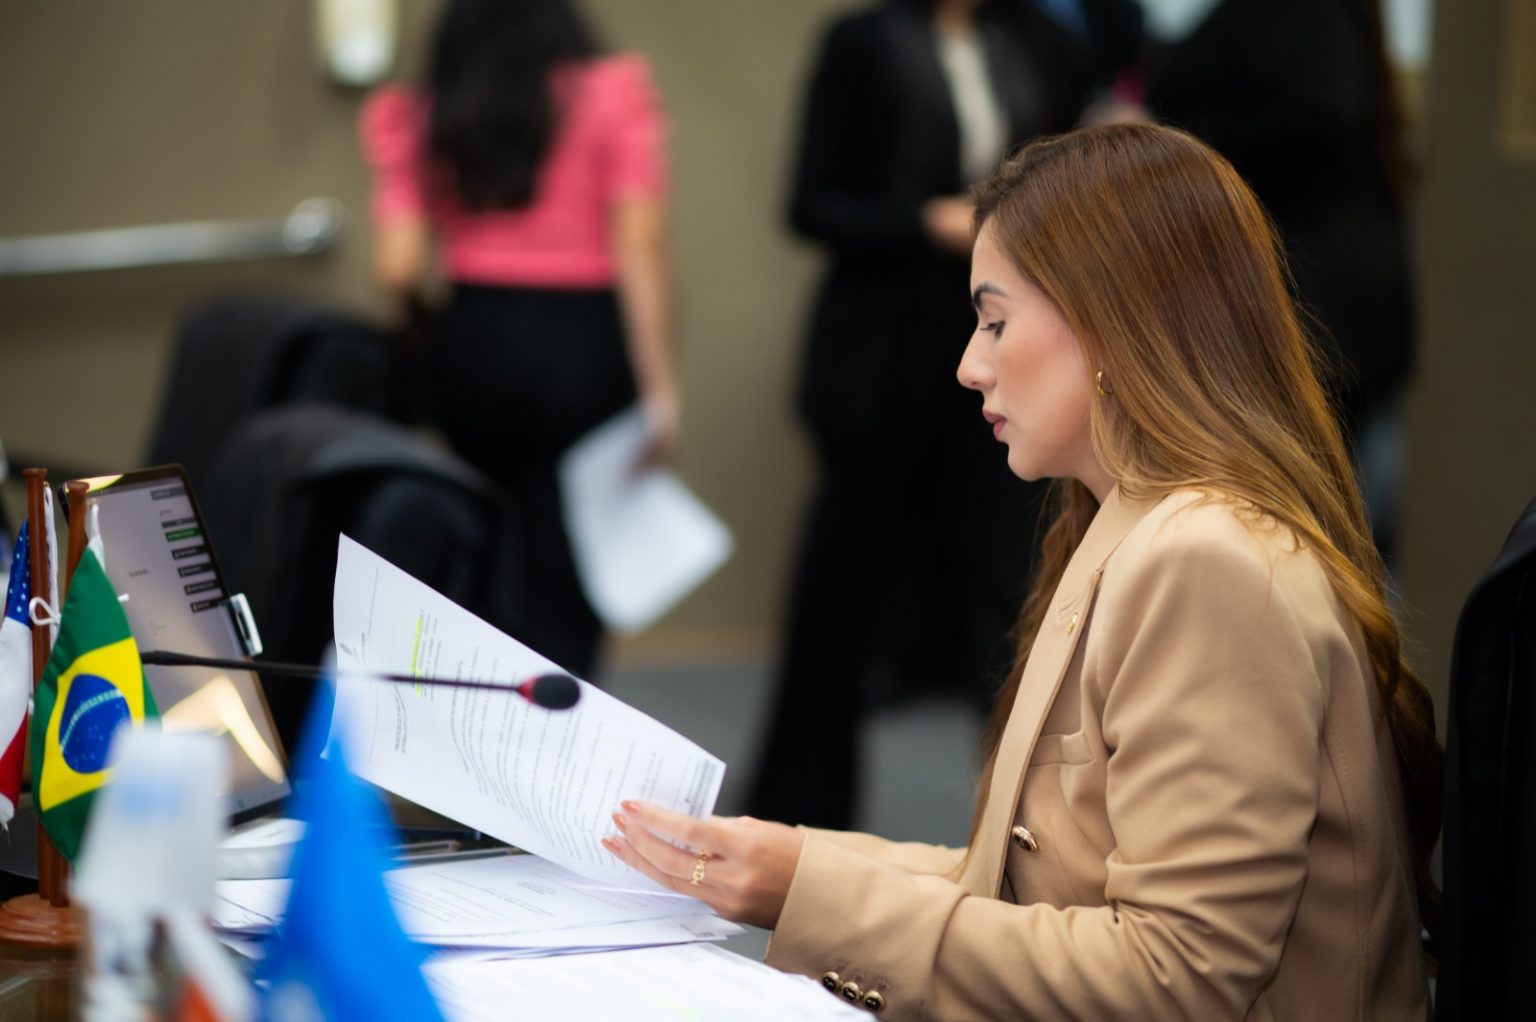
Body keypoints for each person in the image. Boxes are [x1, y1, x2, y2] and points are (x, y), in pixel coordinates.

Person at [605, 124, 1439, 1019]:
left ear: (1118, 318)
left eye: (996, 321)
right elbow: (1019, 881)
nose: (970, 365)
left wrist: (802, 890)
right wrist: (783, 862)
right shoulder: (1137, 520)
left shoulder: (1207, 560)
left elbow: (1178, 976)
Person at [746, 0, 1089, 833]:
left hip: (1012, 349)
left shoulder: (1039, 40)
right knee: (843, 591)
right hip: (881, 351)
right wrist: (926, 221)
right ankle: (795, 816)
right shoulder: (862, 41)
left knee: (1010, 589)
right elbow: (810, 203)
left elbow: (1077, 184)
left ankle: (1030, 825)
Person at [359, 0, 677, 678]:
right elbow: (640, 243)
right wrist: (660, 387)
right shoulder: (610, 92)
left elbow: (398, 267)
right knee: (570, 562)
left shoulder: (423, 111)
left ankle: (482, 742)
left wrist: (430, 329)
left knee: (489, 546)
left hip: (473, 342)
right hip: (583, 344)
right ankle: (565, 738)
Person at [1141, 0, 1416, 561]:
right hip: (1332, 298)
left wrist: (1165, 136)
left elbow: (1315, 117)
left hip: (1317, 306)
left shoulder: (1300, 15)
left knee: (1308, 529)